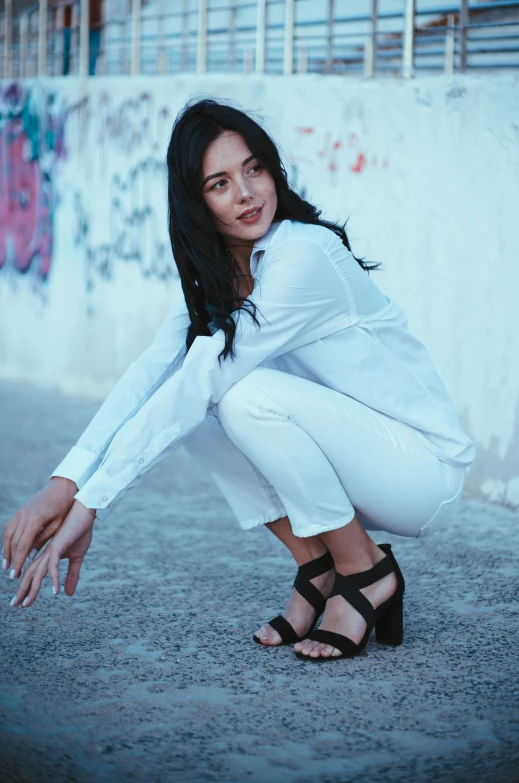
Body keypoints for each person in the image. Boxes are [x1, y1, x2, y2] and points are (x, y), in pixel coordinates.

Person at [2, 98, 475, 661]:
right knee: (195, 402)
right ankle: (316, 562)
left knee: (238, 393)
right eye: (220, 183)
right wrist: (68, 482)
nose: (247, 193)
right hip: (359, 461)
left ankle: (365, 569)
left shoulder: (302, 256)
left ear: (273, 168)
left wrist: (94, 504)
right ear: (196, 203)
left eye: (254, 169)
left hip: (419, 470)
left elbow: (199, 382)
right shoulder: (226, 275)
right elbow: (151, 376)